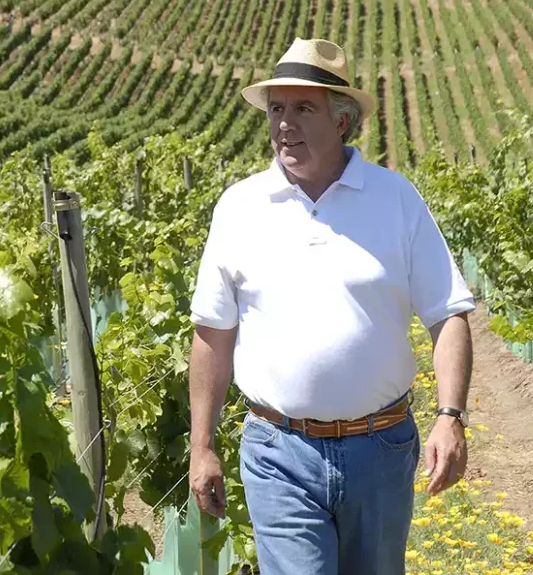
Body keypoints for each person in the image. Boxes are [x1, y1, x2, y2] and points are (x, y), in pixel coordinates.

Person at [188, 38, 474, 575]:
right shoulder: (239, 208)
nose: (284, 124)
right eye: (276, 109)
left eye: (303, 109)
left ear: (342, 122)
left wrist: (450, 417)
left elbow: (448, 313)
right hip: (278, 452)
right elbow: (212, 334)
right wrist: (201, 444)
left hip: (382, 449)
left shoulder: (396, 199)